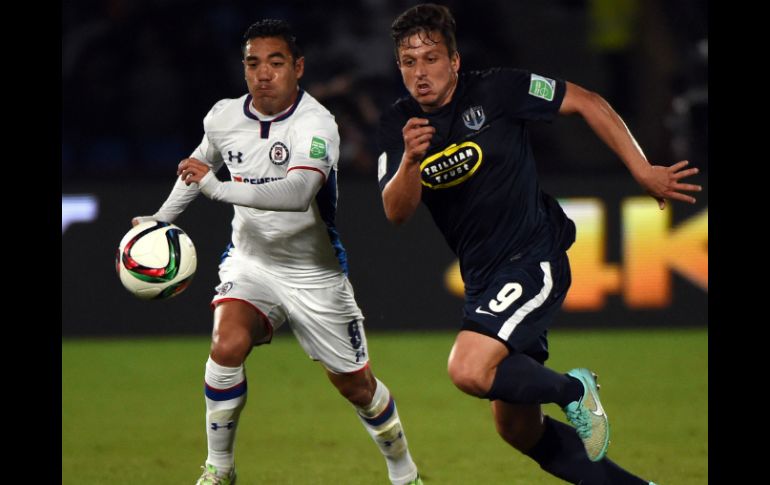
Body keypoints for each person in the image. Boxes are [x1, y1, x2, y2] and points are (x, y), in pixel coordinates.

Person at [377, 4, 700, 484]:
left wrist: (642, 169)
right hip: (483, 278)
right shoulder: (400, 124)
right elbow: (396, 211)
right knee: (518, 429)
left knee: (467, 369)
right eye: (409, 62)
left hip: (532, 257)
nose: (420, 73)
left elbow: (588, 101)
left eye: (431, 58)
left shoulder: (498, 90)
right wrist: (409, 161)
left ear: (455, 60)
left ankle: (574, 390)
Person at [134, 19, 423, 485]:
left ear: (298, 67)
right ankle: (219, 469)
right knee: (225, 347)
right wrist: (160, 220)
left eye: (275, 62)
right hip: (251, 261)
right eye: (253, 64)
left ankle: (404, 471)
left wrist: (218, 189)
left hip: (314, 274)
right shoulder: (223, 116)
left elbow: (297, 192)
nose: (263, 74)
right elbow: (197, 167)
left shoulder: (317, 124)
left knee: (357, 387)